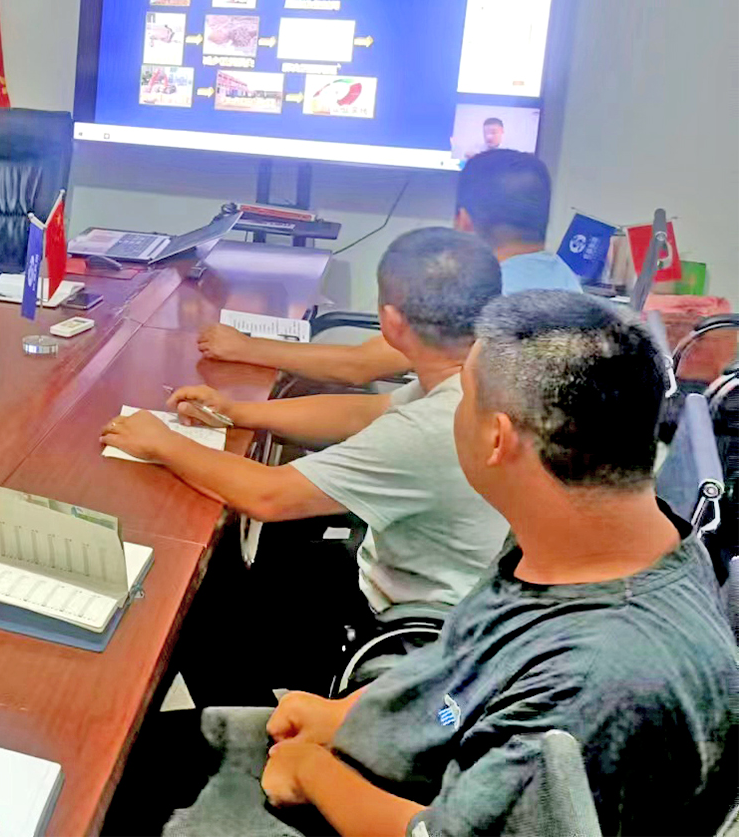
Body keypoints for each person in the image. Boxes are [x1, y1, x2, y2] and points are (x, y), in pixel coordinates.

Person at [162, 292, 739, 836]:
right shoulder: (585, 535)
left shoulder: (593, 682)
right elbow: (460, 689)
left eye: (462, 398)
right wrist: (344, 717)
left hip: (421, 808)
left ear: (497, 439)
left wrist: (313, 775)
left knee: (126, 782)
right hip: (426, 755)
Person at [103, 229, 509, 634]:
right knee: (251, 553)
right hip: (433, 580)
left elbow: (268, 496)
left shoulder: (434, 425)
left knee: (207, 603)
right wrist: (238, 412)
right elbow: (367, 412)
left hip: (405, 623)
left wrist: (164, 443)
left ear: (390, 322)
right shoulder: (484, 373)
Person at [197, 149, 584, 387]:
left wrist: (246, 347)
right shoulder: (562, 278)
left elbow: (360, 367)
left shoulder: (486, 296)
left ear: (463, 221)